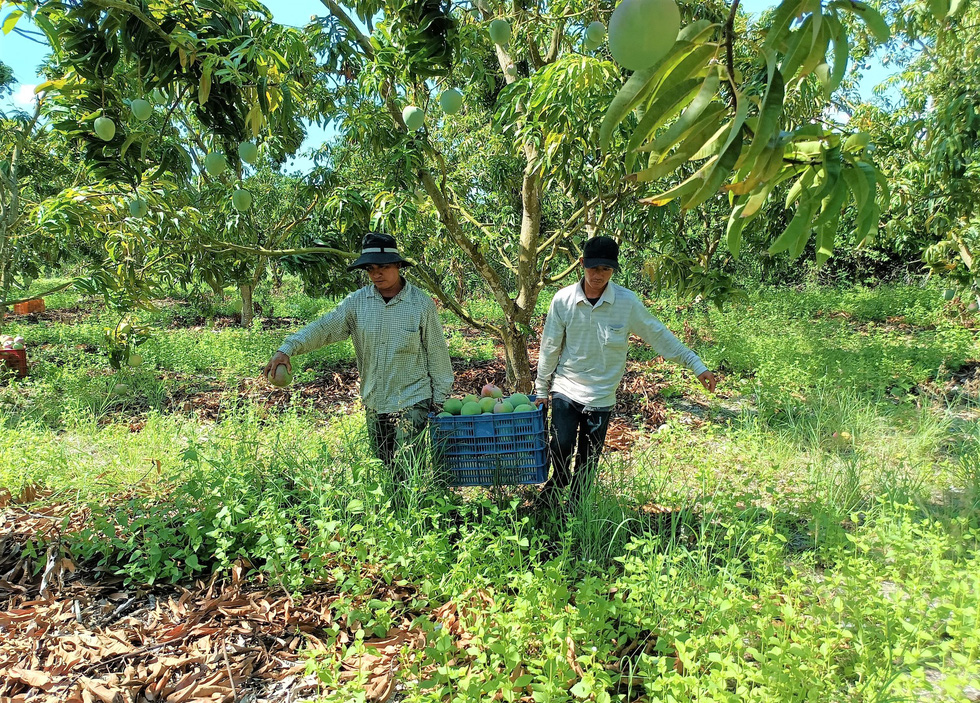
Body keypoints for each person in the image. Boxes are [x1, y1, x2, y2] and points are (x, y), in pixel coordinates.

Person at [534, 236, 716, 507]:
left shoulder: (626, 302)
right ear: (582, 264)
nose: (598, 275)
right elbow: (549, 346)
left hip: (601, 395)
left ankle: (575, 513)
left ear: (614, 270)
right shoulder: (563, 300)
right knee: (560, 446)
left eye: (606, 270)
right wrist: (541, 388)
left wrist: (695, 364)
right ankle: (553, 490)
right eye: (594, 268)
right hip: (567, 386)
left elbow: (658, 335)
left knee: (588, 461)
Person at [263, 232, 454, 488]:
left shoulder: (420, 304)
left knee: (409, 470)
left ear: (397, 265)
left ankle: (413, 519)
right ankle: (396, 517)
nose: (377, 274)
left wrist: (440, 401)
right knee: (385, 468)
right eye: (370, 268)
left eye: (383, 267)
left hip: (412, 399)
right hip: (375, 400)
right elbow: (324, 328)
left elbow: (437, 353)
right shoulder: (357, 303)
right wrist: (287, 348)